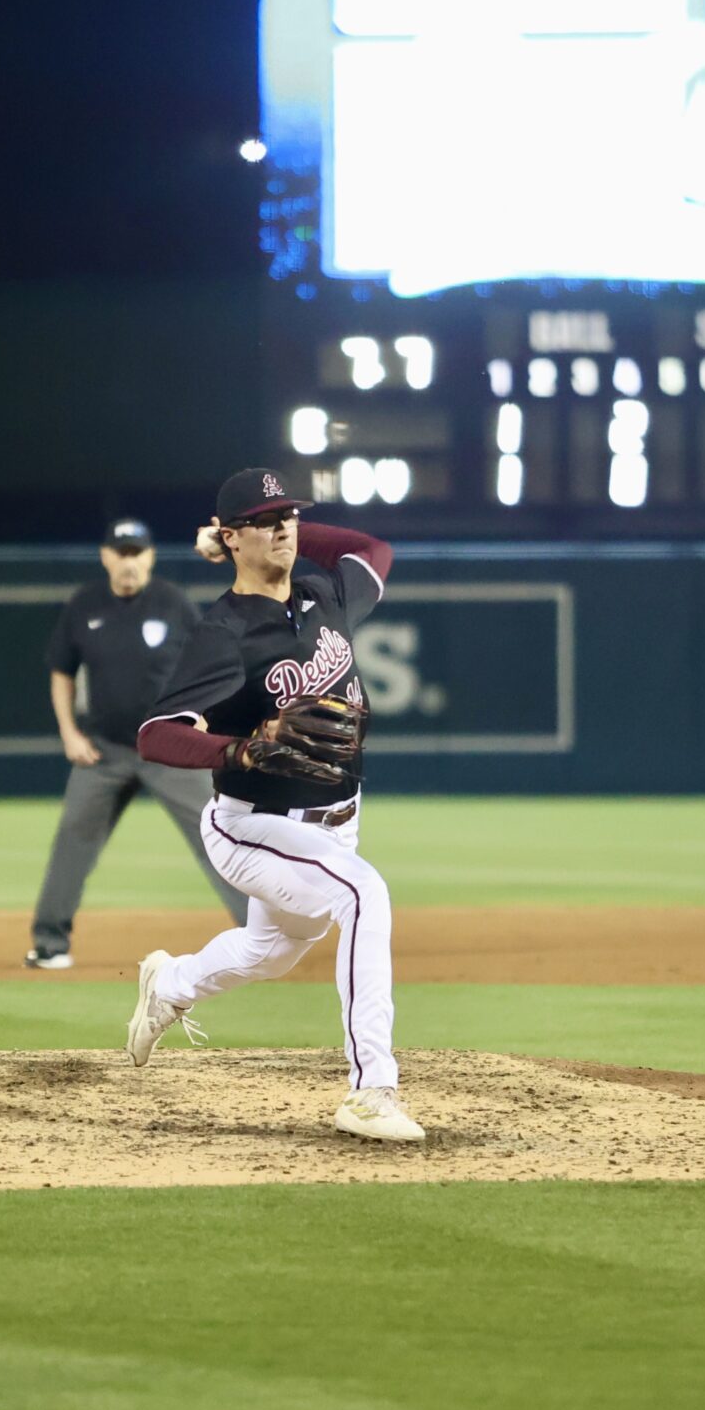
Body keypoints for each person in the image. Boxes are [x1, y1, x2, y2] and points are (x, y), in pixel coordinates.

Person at [126, 467, 422, 1143]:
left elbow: (373, 550)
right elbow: (156, 733)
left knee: (271, 951)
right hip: (253, 825)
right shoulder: (223, 631)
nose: (283, 527)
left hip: (335, 822)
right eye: (264, 521)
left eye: (288, 515)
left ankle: (169, 984)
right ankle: (371, 1090)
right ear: (231, 537)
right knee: (363, 894)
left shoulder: (324, 593)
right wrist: (238, 750)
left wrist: (289, 535)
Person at [28, 518, 249, 967]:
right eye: (121, 553)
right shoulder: (85, 604)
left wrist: (202, 721)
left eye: (137, 553)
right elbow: (61, 671)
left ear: (149, 557)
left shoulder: (173, 603)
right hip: (105, 751)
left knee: (218, 834)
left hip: (169, 749)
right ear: (105, 556)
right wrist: (69, 732)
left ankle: (262, 935)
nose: (128, 562)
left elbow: (208, 667)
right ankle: (49, 944)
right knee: (72, 840)